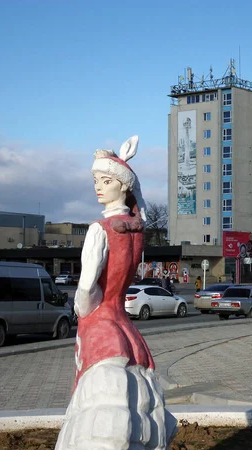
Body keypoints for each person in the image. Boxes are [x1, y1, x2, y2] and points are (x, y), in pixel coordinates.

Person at [56, 136, 176, 450]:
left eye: (106, 180)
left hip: (101, 324)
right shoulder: (137, 230)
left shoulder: (99, 229)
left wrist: (84, 311)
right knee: (138, 397)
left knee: (102, 407)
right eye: (96, 180)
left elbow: (86, 288)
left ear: (123, 185)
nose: (99, 187)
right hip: (126, 326)